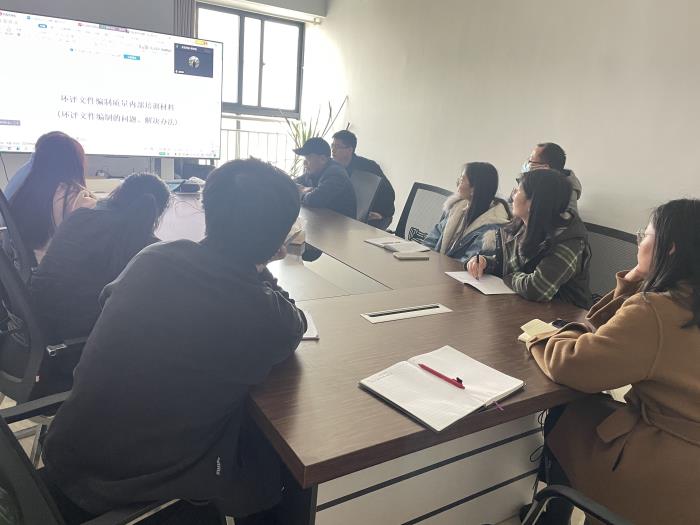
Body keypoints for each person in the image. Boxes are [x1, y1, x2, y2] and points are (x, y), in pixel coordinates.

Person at [42, 159, 307, 523]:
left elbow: (108, 300)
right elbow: (294, 323)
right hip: (127, 490)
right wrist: (261, 268)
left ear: (208, 211)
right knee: (268, 463)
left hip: (67, 456)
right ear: (277, 239)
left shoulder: (154, 256)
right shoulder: (260, 313)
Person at [525, 199, 700, 525]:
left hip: (666, 478)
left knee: (568, 412)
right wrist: (635, 279)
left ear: (671, 248)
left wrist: (556, 335)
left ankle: (556, 513)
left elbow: (573, 365)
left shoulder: (658, 311)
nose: (639, 242)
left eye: (644, 235)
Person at [30, 173, 170, 344]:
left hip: (34, 316)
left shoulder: (79, 216)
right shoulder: (148, 247)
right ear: (156, 214)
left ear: (118, 194)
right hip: (75, 333)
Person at [466, 169, 591, 308]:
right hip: (522, 307)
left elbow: (537, 289)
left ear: (533, 201)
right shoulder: (520, 225)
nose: (513, 195)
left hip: (564, 315)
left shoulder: (569, 239)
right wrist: (484, 262)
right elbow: (507, 264)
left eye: (518, 191)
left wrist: (508, 276)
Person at [9, 131, 97, 262]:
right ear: (75, 164)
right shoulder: (76, 199)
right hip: (64, 271)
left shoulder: (21, 194)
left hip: (30, 270)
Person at [422, 162, 511, 262]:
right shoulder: (458, 208)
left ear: (474, 188)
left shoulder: (491, 231)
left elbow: (465, 265)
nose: (457, 183)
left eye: (461, 180)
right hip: (437, 267)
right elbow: (431, 241)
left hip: (451, 271)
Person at [331, 130, 395, 229]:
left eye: (337, 147)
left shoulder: (368, 167)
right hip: (349, 214)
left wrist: (381, 213)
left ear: (349, 150)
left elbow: (388, 193)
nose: (333, 150)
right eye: (332, 145)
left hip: (375, 215)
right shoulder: (332, 166)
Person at [293, 137, 357, 219]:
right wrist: (304, 189)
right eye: (305, 158)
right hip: (323, 218)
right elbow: (291, 184)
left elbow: (314, 200)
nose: (304, 162)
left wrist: (301, 191)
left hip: (343, 223)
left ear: (322, 159)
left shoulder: (335, 173)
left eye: (309, 157)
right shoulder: (314, 171)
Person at [521, 142, 582, 213]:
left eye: (530, 161)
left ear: (544, 167)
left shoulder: (566, 190)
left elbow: (568, 217)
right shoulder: (537, 182)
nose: (527, 164)